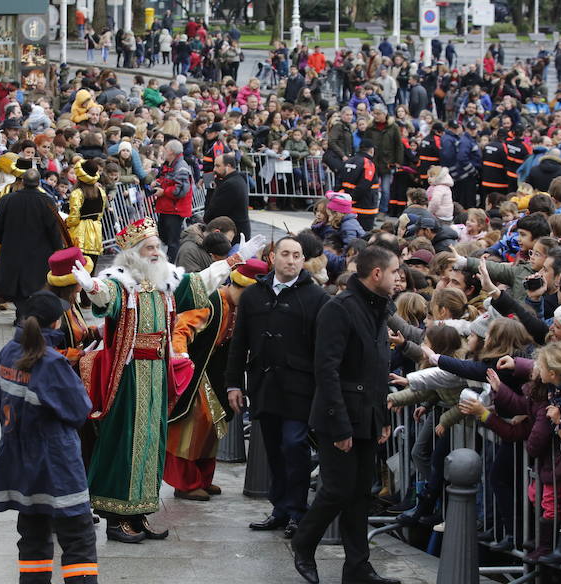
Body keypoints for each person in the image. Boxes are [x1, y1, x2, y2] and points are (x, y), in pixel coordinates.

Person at [70, 217, 265, 543]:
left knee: (151, 443)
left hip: (156, 375)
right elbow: (108, 297)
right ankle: (119, 518)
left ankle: (140, 512)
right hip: (130, 377)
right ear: (133, 253)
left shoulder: (164, 280)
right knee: (128, 444)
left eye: (157, 245)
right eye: (148, 247)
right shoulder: (121, 280)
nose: (156, 251)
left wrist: (234, 259)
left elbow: (199, 282)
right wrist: (92, 288)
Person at [292, 244, 401, 584]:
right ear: (377, 274)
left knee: (359, 494)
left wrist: (381, 418)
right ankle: (304, 541)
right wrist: (339, 426)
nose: (400, 278)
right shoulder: (339, 309)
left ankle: (357, 567)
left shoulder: (378, 308)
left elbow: (376, 366)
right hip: (338, 416)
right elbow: (327, 371)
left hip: (368, 414)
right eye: (396, 272)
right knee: (337, 489)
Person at [225, 236, 329, 539]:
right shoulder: (254, 295)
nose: (292, 260)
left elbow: (323, 348)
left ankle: (297, 510)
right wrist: (234, 383)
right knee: (273, 449)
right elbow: (239, 342)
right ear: (273, 257)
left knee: (293, 444)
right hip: (264, 384)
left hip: (299, 386)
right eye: (285, 254)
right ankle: (280, 508)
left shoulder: (316, 297)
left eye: (297, 255)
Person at [0, 290, 98, 584]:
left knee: (33, 539)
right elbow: (79, 411)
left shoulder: (7, 353)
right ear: (55, 324)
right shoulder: (51, 362)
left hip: (20, 461)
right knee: (78, 540)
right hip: (57, 465)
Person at [166, 258, 270, 501]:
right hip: (195, 371)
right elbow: (181, 329)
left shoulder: (242, 310)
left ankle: (203, 478)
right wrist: (181, 357)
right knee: (194, 423)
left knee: (213, 425)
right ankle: (186, 482)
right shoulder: (211, 302)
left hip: (216, 375)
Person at [0, 169, 65, 316]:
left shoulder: (7, 200)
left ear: (23, 182)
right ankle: (25, 316)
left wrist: (5, 241)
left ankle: (23, 315)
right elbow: (53, 228)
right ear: (38, 183)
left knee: (18, 286)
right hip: (39, 251)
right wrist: (58, 247)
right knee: (34, 285)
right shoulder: (46, 201)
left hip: (13, 249)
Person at [152, 139, 194, 262]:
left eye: (165, 149)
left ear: (171, 151)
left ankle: (170, 267)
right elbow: (166, 180)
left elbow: (181, 190)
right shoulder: (169, 165)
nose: (163, 151)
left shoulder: (181, 167)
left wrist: (163, 192)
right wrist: (158, 182)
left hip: (175, 209)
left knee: (172, 241)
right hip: (168, 208)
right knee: (163, 236)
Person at [204, 154, 250, 242]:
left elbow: (214, 212)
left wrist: (211, 190)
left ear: (228, 166)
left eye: (218, 166)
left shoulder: (230, 184)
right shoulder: (236, 179)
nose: (214, 170)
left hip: (232, 236)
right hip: (234, 233)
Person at [339, 139, 380, 231]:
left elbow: (339, 182)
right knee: (363, 236)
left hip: (346, 207)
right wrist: (353, 199)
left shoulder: (348, 161)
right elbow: (364, 185)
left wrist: (344, 199)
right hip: (364, 208)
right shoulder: (368, 164)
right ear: (371, 150)